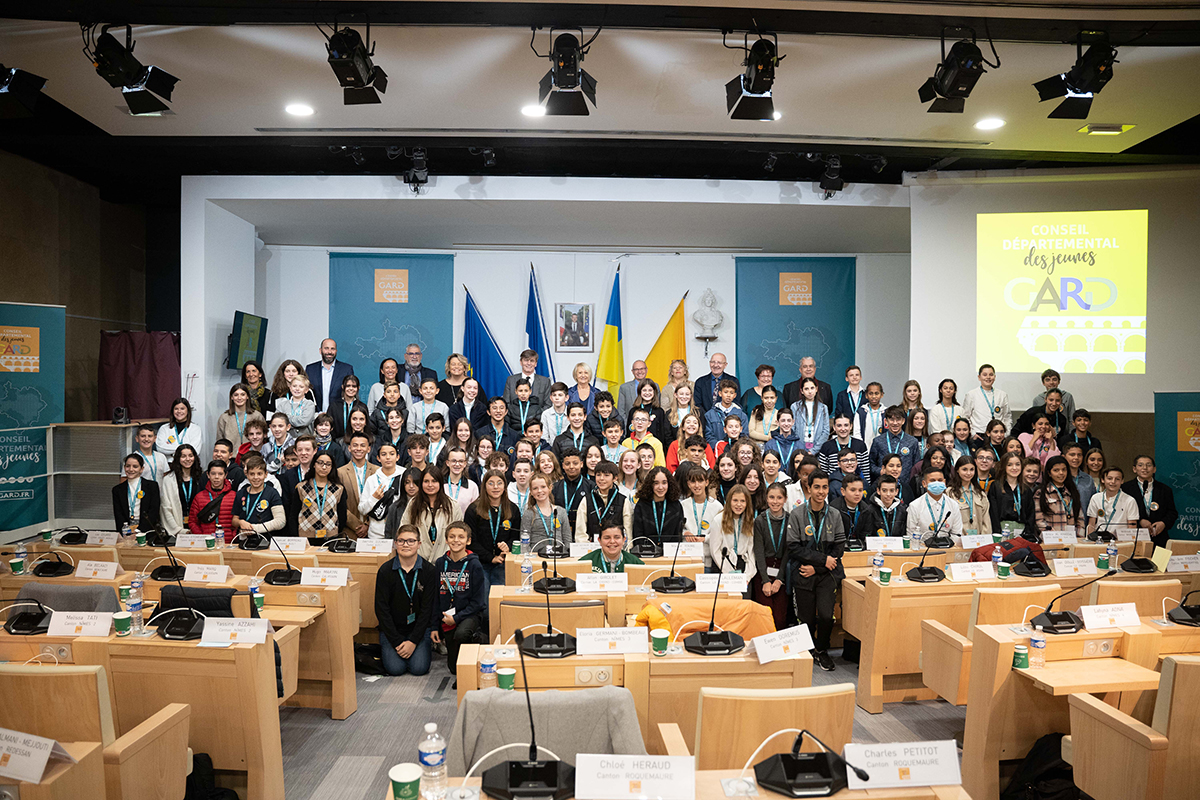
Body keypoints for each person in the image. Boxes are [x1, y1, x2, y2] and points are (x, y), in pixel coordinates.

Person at [787, 470, 844, 671]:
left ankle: (822, 650)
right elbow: (793, 547)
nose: (821, 491)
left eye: (825, 487)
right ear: (808, 488)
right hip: (803, 572)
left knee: (827, 616)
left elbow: (839, 549)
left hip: (826, 574)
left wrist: (818, 568)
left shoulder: (835, 514)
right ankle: (809, 649)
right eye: (817, 487)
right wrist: (820, 560)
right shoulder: (796, 514)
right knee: (807, 617)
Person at [374, 524, 438, 676]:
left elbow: (427, 610)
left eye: (411, 541)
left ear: (419, 544)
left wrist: (413, 641)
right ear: (395, 543)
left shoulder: (429, 571)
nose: (405, 545)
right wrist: (396, 641)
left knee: (419, 669)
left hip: (419, 631)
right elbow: (381, 610)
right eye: (401, 541)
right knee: (395, 669)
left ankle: (414, 649)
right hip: (393, 630)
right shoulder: (385, 571)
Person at [430, 521, 486, 672]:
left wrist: (457, 618)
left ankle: (477, 642)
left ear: (468, 541)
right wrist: (434, 626)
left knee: (462, 634)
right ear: (446, 540)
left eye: (461, 537)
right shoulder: (441, 563)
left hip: (469, 614)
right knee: (454, 669)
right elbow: (436, 597)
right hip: (447, 616)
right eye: (452, 537)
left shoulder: (474, 565)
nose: (456, 540)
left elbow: (478, 602)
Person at [465, 469, 518, 585]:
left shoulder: (513, 509)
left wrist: (507, 547)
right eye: (491, 483)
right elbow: (471, 541)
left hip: (504, 561)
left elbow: (516, 537)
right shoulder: (473, 510)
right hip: (479, 562)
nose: (495, 487)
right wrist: (491, 558)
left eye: (499, 483)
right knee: (484, 594)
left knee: (499, 593)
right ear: (484, 487)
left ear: (505, 486)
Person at [399, 465, 462, 561]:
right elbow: (404, 530)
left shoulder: (453, 506)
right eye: (426, 481)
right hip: (418, 560)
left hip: (446, 560)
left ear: (440, 483)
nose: (430, 485)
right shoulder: (413, 504)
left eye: (434, 481)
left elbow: (459, 535)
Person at [751, 483, 790, 627]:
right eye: (772, 497)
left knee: (780, 617)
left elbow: (788, 551)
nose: (775, 501)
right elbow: (759, 552)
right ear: (766, 499)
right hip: (763, 571)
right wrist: (765, 581)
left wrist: (779, 579)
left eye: (779, 497)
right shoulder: (760, 521)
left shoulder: (790, 520)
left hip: (782, 570)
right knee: (765, 615)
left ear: (785, 499)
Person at [1123, 454, 1180, 546]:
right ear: (1134, 469)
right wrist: (1140, 520)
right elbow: (1121, 512)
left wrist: (1163, 523)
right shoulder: (1125, 488)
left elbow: (1172, 512)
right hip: (1134, 537)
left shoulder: (1165, 489)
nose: (1145, 468)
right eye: (1140, 465)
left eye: (1148, 465)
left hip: (1159, 537)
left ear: (1154, 469)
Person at [707, 485, 756, 590]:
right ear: (729, 501)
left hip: (743, 567)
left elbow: (751, 552)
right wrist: (729, 575)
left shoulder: (751, 521)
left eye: (742, 501)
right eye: (735, 500)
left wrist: (747, 576)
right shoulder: (718, 520)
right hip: (723, 565)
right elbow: (715, 551)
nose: (739, 504)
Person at [231, 454, 286, 540]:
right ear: (247, 475)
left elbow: (280, 521)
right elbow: (234, 520)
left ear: (266, 474)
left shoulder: (272, 493)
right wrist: (240, 522)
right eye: (252, 474)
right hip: (244, 540)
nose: (256, 477)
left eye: (259, 474)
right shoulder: (240, 493)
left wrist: (254, 529)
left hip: (266, 540)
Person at [293, 452, 346, 539]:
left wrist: (336, 533)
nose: (324, 467)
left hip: (331, 536)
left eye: (328, 464)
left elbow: (342, 515)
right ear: (314, 464)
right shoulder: (301, 487)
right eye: (320, 463)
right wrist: (296, 537)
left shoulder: (338, 489)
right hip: (305, 537)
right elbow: (293, 515)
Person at [906, 467, 963, 545]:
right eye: (932, 480)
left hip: (948, 549)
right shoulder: (915, 506)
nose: (937, 483)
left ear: (944, 482)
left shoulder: (953, 505)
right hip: (923, 549)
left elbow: (957, 533)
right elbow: (911, 534)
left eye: (940, 480)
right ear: (924, 483)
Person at [336, 432, 378, 538]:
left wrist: (368, 525)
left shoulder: (378, 471)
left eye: (362, 445)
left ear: (368, 449)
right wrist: (357, 526)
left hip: (374, 529)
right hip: (349, 531)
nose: (358, 448)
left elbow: (381, 502)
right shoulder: (340, 473)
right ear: (349, 448)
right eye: (355, 445)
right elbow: (338, 504)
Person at [358, 443, 404, 538]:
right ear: (378, 458)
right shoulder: (372, 479)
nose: (388, 457)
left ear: (397, 457)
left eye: (392, 454)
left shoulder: (404, 477)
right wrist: (374, 498)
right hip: (375, 534)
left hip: (399, 531)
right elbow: (362, 509)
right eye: (383, 454)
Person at [520, 473, 572, 555]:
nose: (539, 491)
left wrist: (566, 555)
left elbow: (567, 538)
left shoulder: (561, 512)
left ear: (550, 488)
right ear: (531, 492)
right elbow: (524, 541)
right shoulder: (529, 513)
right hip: (536, 556)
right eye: (535, 488)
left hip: (558, 557)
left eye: (543, 487)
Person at [631, 466, 685, 544]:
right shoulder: (642, 505)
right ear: (650, 484)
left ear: (669, 483)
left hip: (670, 553)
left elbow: (677, 535)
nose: (660, 487)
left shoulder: (676, 505)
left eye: (664, 483)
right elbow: (638, 534)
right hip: (647, 552)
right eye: (656, 483)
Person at [989, 452, 1036, 540]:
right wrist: (997, 534)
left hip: (1022, 533)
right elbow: (993, 513)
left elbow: (1031, 515)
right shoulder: (996, 486)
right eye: (1010, 465)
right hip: (1001, 531)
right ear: (1004, 467)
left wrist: (1028, 534)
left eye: (1017, 464)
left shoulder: (1026, 489)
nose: (1014, 468)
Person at [1034, 455, 1084, 538]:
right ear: (1049, 473)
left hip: (1071, 539)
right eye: (1056, 470)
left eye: (1064, 470)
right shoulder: (1041, 493)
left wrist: (1078, 536)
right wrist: (1052, 536)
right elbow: (1039, 520)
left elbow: (1080, 519)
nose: (1061, 473)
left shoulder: (1072, 492)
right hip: (1050, 539)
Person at [189, 460, 237, 541]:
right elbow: (192, 522)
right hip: (206, 543)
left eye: (220, 474)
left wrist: (233, 536)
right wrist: (201, 537)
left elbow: (238, 520)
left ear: (226, 475)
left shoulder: (234, 496)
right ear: (208, 475)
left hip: (229, 543)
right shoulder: (199, 497)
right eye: (213, 474)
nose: (216, 477)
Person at [1087, 466, 1141, 537]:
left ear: (1122, 481)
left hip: (1121, 541)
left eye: (1117, 479)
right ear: (1103, 480)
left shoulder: (1130, 500)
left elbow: (1132, 527)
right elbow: (1091, 524)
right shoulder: (1095, 498)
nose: (1113, 482)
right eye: (1109, 478)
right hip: (1099, 540)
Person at [868, 406, 918, 483]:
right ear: (886, 421)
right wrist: (880, 471)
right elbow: (871, 463)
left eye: (898, 419)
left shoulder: (912, 442)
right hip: (884, 483)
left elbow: (916, 466)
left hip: (905, 485)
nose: (895, 423)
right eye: (891, 419)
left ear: (903, 421)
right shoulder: (878, 441)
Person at [160, 444, 202, 534]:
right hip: (177, 528)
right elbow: (166, 508)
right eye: (183, 456)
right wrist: (179, 530)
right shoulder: (168, 480)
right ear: (178, 459)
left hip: (198, 528)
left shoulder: (201, 478)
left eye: (190, 456)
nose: (187, 459)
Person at [114, 453, 161, 531]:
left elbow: (153, 511)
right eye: (128, 466)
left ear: (141, 469)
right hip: (126, 530)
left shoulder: (152, 486)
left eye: (135, 466)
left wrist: (139, 531)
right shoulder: (117, 490)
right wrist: (125, 531)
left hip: (147, 529)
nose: (131, 469)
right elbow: (118, 514)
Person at [305, 338, 354, 413]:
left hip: (339, 416)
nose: (329, 352)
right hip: (316, 416)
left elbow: (350, 394)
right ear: (320, 350)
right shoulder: (310, 369)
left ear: (336, 351)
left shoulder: (346, 369)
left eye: (332, 349)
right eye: (326, 348)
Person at [962, 363, 1012, 436]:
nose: (988, 377)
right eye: (985, 375)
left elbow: (1007, 417)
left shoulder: (1002, 395)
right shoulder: (971, 394)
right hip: (979, 434)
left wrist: (1006, 434)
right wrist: (973, 434)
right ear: (979, 377)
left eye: (991, 375)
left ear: (994, 377)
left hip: (998, 435)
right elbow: (965, 416)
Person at [948, 456, 991, 538]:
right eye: (964, 469)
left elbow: (986, 521)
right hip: (958, 541)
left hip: (978, 541)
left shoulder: (980, 494)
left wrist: (984, 541)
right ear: (957, 470)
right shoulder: (950, 493)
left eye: (972, 469)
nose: (968, 473)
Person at [553, 448, 591, 539]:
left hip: (584, 531)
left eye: (575, 463)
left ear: (581, 464)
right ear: (562, 466)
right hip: (559, 531)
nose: (571, 467)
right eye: (567, 464)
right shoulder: (554, 487)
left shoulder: (590, 486)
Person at [854, 474, 906, 539]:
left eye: (891, 490)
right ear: (878, 491)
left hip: (897, 548)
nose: (888, 494)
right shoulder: (869, 511)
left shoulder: (902, 511)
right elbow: (862, 536)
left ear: (896, 492)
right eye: (884, 490)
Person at [578, 522, 644, 573]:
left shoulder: (636, 563)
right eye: (607, 538)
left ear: (624, 540)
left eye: (617, 537)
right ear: (599, 541)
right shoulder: (585, 562)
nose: (612, 541)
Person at [817, 413, 866, 478]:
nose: (843, 429)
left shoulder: (860, 445)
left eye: (846, 425)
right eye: (839, 425)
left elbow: (866, 473)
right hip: (834, 485)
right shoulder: (826, 447)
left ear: (851, 426)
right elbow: (823, 474)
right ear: (834, 427)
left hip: (857, 485)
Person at [216, 383, 263, 450]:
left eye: (243, 394)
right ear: (231, 397)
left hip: (252, 456)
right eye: (236, 395)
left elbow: (263, 438)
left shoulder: (257, 416)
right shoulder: (224, 418)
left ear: (247, 397)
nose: (239, 398)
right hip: (231, 457)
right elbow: (220, 441)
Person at [626, 379, 671, 444]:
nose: (647, 393)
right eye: (644, 390)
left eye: (650, 390)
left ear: (654, 392)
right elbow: (629, 433)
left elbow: (662, 434)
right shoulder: (633, 411)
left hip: (654, 447)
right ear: (639, 392)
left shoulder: (659, 411)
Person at [328, 374, 369, 440]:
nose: (351, 389)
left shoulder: (362, 406)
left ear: (358, 388)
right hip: (337, 442)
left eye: (354, 386)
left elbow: (366, 427)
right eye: (348, 386)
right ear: (342, 387)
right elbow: (330, 425)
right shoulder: (334, 405)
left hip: (357, 442)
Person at [830, 474, 866, 540]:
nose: (857, 494)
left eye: (860, 490)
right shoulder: (834, 509)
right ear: (843, 491)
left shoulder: (865, 509)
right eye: (853, 490)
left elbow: (866, 534)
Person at [853, 382, 885, 448]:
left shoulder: (886, 412)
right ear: (866, 395)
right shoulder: (861, 412)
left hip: (882, 449)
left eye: (877, 393)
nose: (874, 396)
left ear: (882, 395)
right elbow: (856, 433)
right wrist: (861, 447)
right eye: (871, 394)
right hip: (865, 448)